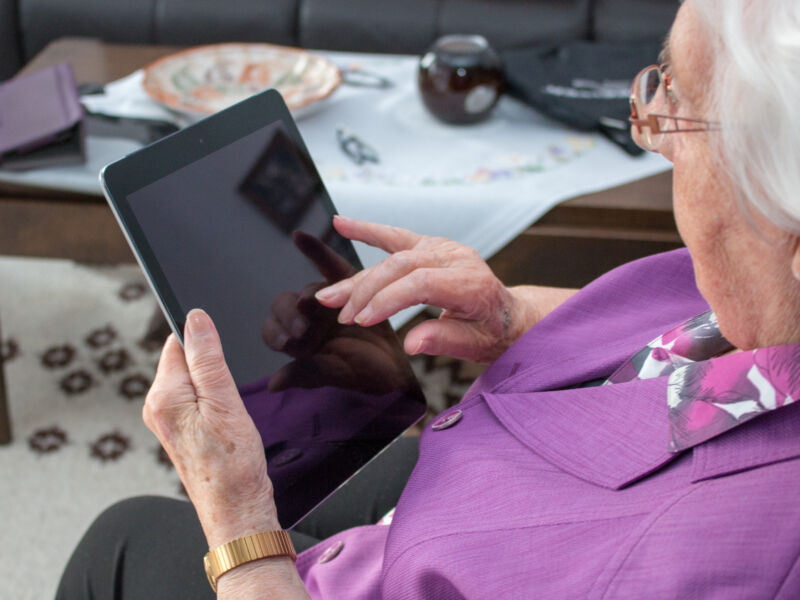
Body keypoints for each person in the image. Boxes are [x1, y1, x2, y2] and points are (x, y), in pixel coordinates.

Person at [57, 0, 800, 597]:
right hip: (481, 483)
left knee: (126, 540)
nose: (655, 135)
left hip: (449, 548)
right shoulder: (769, 297)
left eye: (682, 110)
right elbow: (687, 343)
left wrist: (243, 539)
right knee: (311, 436)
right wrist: (514, 320)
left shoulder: (726, 560)